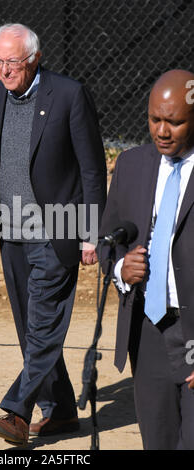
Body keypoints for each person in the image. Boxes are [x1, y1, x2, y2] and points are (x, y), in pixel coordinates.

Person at [0, 23, 107, 446]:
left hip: (59, 230)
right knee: (30, 328)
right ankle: (61, 412)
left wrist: (92, 232)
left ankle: (16, 412)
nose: (3, 70)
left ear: (34, 57)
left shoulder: (68, 94)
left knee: (43, 326)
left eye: (12, 62)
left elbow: (92, 169)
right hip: (8, 231)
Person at [99, 69, 194, 450]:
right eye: (155, 119)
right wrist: (122, 269)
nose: (162, 131)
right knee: (158, 441)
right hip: (148, 330)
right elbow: (109, 242)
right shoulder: (132, 165)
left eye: (174, 122)